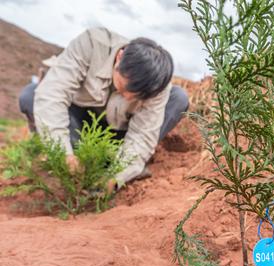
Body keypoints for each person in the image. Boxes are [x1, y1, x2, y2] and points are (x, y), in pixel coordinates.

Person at [18, 27, 189, 193]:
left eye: (137, 96)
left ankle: (123, 164)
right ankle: (71, 155)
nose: (128, 98)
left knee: (178, 98)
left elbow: (143, 135)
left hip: (120, 134)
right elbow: (52, 95)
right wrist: (64, 154)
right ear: (120, 58)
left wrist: (116, 177)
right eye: (124, 88)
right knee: (30, 95)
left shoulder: (157, 84)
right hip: (80, 126)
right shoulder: (92, 43)